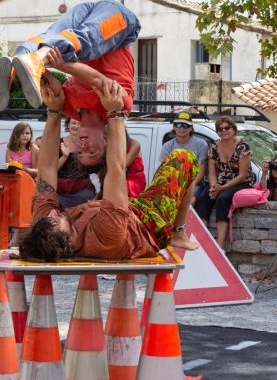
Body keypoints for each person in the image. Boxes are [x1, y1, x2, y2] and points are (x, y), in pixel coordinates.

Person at [19, 76, 199, 262]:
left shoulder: (45, 225)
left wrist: (54, 110)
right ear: (67, 240)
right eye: (55, 220)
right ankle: (177, 232)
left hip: (117, 210)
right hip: (148, 224)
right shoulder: (104, 237)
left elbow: (47, 168)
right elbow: (116, 169)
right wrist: (115, 113)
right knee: (184, 158)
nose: (53, 213)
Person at [0, 0, 140, 168]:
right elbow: (96, 80)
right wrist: (57, 64)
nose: (83, 147)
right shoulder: (118, 106)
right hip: (122, 24)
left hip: (79, 22)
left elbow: (50, 83)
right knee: (86, 40)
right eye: (92, 152)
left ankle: (18, 59)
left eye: (80, 153)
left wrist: (43, 79)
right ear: (106, 141)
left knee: (48, 37)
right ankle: (37, 58)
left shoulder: (68, 107)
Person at [194, 116, 255, 248]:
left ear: (233, 129)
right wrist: (214, 186)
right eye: (220, 129)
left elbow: (243, 175)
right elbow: (211, 173)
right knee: (203, 197)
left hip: (240, 182)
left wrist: (221, 188)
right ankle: (200, 241)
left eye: (227, 128)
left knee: (222, 198)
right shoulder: (214, 146)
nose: (224, 131)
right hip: (220, 181)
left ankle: (220, 245)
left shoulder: (243, 147)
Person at [159, 110, 209, 204]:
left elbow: (201, 172)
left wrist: (186, 187)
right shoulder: (167, 146)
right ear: (174, 127)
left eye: (186, 125)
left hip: (195, 183)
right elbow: (164, 171)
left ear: (191, 128)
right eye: (178, 125)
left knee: (189, 202)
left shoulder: (201, 144)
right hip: (173, 184)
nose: (182, 128)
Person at [56, 117, 96, 208]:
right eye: (73, 123)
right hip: (60, 189)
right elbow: (52, 169)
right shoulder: (58, 143)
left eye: (80, 124)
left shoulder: (88, 145)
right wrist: (65, 156)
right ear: (68, 125)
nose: (76, 126)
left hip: (82, 188)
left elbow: (91, 169)